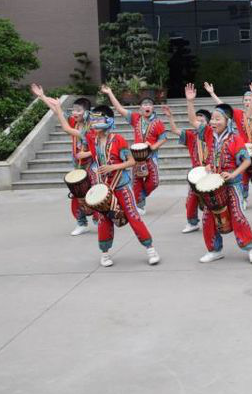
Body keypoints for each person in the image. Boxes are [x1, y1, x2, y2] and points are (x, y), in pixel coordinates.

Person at [49, 101, 160, 267]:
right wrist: (57, 108)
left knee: (133, 216)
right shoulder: (91, 138)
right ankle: (105, 254)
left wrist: (113, 167)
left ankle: (150, 249)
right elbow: (67, 128)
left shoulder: (118, 139)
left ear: (108, 121)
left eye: (98, 120)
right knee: (103, 220)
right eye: (93, 120)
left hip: (121, 185)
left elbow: (131, 161)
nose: (94, 123)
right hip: (104, 187)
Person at [185, 83, 252, 263]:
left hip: (232, 184)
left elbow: (247, 161)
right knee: (207, 218)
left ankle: (251, 248)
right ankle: (214, 250)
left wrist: (233, 174)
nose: (213, 122)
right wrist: (190, 102)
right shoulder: (209, 134)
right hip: (214, 183)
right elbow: (193, 121)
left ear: (227, 121)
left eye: (217, 119)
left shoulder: (235, 139)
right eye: (212, 119)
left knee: (237, 215)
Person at [31, 84, 96, 235]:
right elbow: (57, 112)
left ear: (87, 113)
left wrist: (87, 154)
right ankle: (81, 223)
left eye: (78, 110)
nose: (74, 113)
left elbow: (97, 147)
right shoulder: (75, 122)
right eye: (73, 110)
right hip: (78, 165)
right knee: (77, 194)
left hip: (92, 166)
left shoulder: (91, 128)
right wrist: (42, 96)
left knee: (93, 193)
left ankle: (99, 218)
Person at [100, 85, 167, 215]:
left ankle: (140, 197)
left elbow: (163, 138)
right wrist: (110, 93)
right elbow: (119, 109)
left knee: (154, 182)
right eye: (144, 104)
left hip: (150, 157)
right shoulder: (136, 118)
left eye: (150, 105)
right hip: (136, 157)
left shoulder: (158, 123)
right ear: (140, 108)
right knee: (136, 182)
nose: (147, 106)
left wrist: (153, 146)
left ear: (153, 108)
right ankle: (139, 204)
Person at [204, 82, 252, 210]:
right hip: (243, 150)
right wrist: (212, 93)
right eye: (245, 100)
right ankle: (243, 198)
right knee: (243, 176)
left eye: (250, 100)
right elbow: (223, 107)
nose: (247, 102)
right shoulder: (239, 114)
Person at [162, 103, 212, 234]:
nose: (198, 123)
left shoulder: (213, 135)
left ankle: (219, 221)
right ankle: (192, 223)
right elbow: (175, 130)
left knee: (214, 199)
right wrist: (170, 117)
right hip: (196, 175)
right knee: (191, 200)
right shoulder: (191, 136)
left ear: (208, 123)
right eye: (197, 120)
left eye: (201, 121)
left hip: (212, 172)